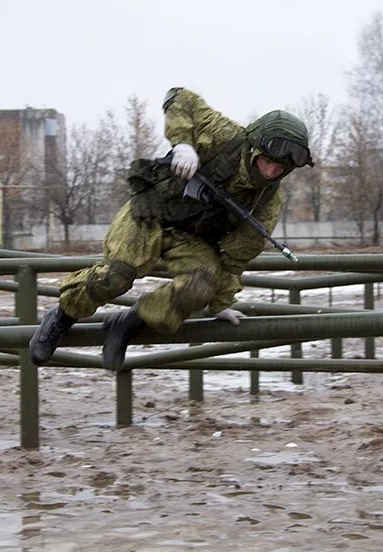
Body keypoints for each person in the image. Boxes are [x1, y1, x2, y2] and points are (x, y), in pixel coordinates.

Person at [29, 87, 314, 370]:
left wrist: (220, 302)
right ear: (255, 148)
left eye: (279, 170)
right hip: (152, 212)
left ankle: (126, 325)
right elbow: (180, 98)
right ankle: (62, 317)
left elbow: (239, 253)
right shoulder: (224, 135)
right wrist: (184, 145)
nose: (270, 173)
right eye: (267, 162)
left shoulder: (268, 200)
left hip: (189, 238)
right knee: (117, 275)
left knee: (201, 286)